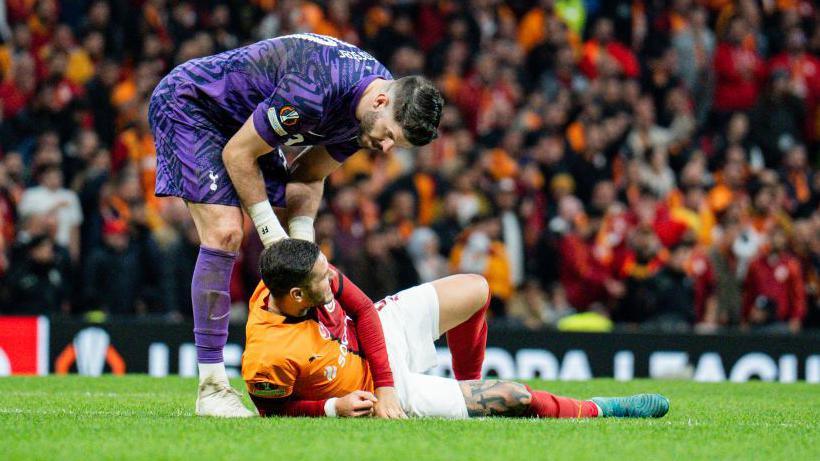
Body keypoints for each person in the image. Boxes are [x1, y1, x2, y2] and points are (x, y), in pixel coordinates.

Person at [149, 33, 444, 416]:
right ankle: (212, 388)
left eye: (395, 144)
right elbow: (238, 153)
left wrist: (303, 244)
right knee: (226, 232)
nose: (385, 149)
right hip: (193, 106)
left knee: (292, 250)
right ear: (381, 101)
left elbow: (308, 175)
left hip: (246, 125)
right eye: (388, 136)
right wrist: (273, 237)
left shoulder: (368, 108)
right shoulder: (315, 90)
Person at [242, 239, 670, 419]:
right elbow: (273, 412)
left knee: (476, 290)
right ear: (297, 296)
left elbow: (366, 312)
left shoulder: (294, 273)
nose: (330, 275)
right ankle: (601, 408)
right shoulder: (268, 357)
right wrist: (333, 408)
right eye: (322, 277)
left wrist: (386, 381)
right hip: (376, 391)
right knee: (514, 396)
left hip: (378, 341)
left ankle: (468, 389)